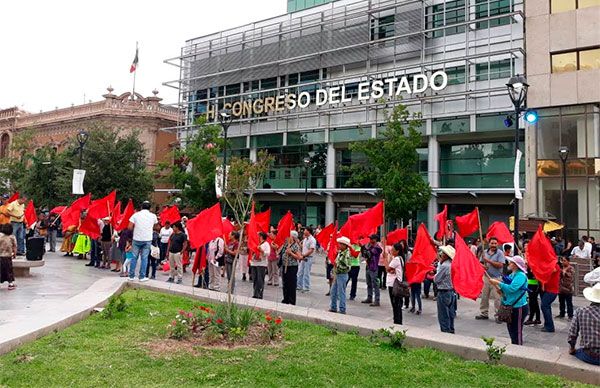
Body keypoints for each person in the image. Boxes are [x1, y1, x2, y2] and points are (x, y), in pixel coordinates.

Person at [489, 256, 529, 345]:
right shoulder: (512, 274)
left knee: (517, 330)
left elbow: (512, 289)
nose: (509, 264)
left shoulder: (521, 276)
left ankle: (518, 350)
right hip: (510, 306)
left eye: (511, 263)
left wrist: (498, 283)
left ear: (516, 265)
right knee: (511, 329)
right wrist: (501, 290)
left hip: (519, 307)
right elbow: (507, 290)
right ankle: (514, 347)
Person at [567, 283, 600, 366]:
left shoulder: (580, 311)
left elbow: (572, 334)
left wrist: (572, 348)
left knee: (577, 351)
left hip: (590, 356)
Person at [127, 201, 158, 282]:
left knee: (134, 257)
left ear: (141, 207)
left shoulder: (136, 215)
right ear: (150, 208)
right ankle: (142, 277)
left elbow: (129, 227)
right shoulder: (153, 216)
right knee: (145, 258)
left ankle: (131, 276)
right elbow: (157, 227)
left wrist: (137, 230)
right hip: (147, 239)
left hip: (136, 239)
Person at [476, 237, 505, 322]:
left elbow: (500, 265)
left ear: (497, 244)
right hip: (486, 277)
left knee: (497, 298)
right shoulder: (484, 252)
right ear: (489, 244)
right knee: (484, 296)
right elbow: (480, 263)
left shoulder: (500, 253)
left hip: (496, 278)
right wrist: (483, 266)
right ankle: (484, 313)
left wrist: (488, 261)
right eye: (492, 243)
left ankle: (498, 315)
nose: (493, 245)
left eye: (495, 243)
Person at [329, 236, 355, 314]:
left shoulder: (346, 254)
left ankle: (342, 309)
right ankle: (333, 307)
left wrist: (338, 265)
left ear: (344, 245)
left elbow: (347, 266)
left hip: (342, 274)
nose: (339, 245)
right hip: (338, 274)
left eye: (340, 244)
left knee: (341, 292)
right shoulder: (341, 252)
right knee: (333, 291)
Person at [435, 245, 456, 334]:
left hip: (444, 292)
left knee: (443, 315)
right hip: (451, 291)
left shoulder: (444, 266)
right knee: (450, 314)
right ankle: (451, 329)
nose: (441, 254)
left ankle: (445, 332)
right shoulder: (451, 264)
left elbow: (437, 279)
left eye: (443, 253)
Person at [384, 242, 404, 324]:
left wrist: (385, 258)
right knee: (397, 304)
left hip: (394, 284)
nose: (391, 251)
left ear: (397, 251)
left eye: (393, 250)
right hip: (397, 283)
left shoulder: (396, 259)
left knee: (395, 304)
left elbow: (388, 269)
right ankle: (398, 320)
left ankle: (397, 321)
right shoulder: (400, 258)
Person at [281, 230, 302, 305]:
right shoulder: (286, 244)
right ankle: (285, 298)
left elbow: (299, 257)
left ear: (292, 237)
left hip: (292, 267)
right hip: (285, 266)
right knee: (285, 283)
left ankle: (292, 300)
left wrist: (291, 253)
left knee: (291, 284)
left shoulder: (295, 246)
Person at [362, 234, 383, 307]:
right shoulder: (370, 246)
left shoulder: (377, 248)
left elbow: (369, 254)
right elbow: (364, 254)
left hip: (373, 267)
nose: (370, 240)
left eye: (372, 239)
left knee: (375, 284)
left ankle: (377, 300)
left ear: (375, 239)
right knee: (369, 283)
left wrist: (365, 248)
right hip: (368, 266)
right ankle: (369, 297)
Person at [540, 260, 560, 333]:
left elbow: (552, 270)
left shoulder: (555, 265)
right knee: (546, 306)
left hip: (552, 291)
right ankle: (548, 324)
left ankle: (550, 326)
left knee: (544, 306)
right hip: (548, 289)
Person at [297, 227, 316, 293]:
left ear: (308, 231)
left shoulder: (312, 240)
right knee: (300, 272)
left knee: (306, 273)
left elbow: (311, 249)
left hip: (308, 258)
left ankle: (306, 287)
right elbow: (304, 247)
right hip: (303, 257)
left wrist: (304, 255)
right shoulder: (305, 239)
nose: (304, 231)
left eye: (305, 230)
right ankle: (299, 286)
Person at [251, 232, 270, 299]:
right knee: (255, 279)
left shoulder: (266, 244)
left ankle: (259, 294)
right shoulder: (256, 243)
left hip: (261, 264)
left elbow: (268, 253)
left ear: (261, 236)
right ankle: (255, 293)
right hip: (254, 263)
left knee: (260, 279)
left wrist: (261, 250)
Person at [0, 223, 17, 290]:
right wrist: (14, 254)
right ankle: (10, 284)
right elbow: (15, 247)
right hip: (7, 256)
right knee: (9, 270)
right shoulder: (12, 237)